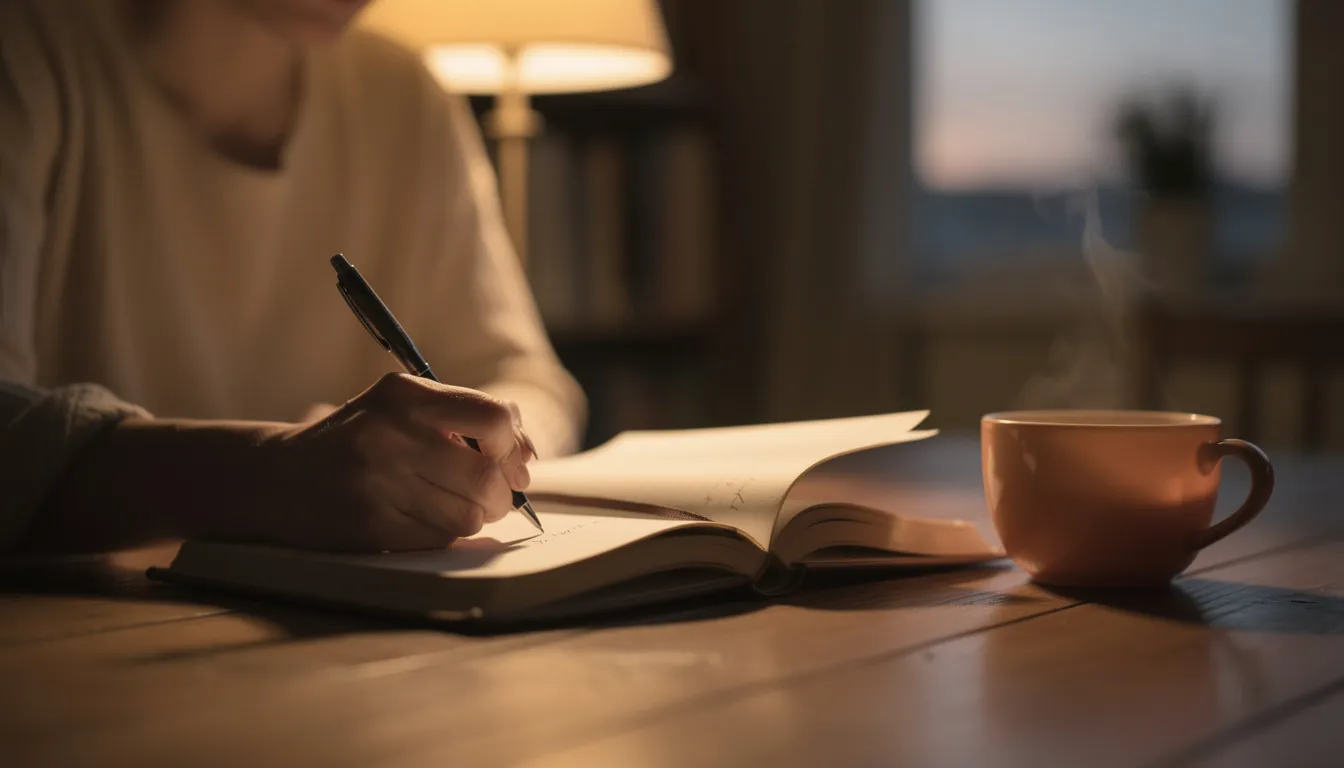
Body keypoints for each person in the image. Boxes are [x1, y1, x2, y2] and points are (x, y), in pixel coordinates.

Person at [0, 0, 587, 554]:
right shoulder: (29, 48)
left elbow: (524, 375)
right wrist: (272, 472)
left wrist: (493, 447)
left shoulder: (402, 92)